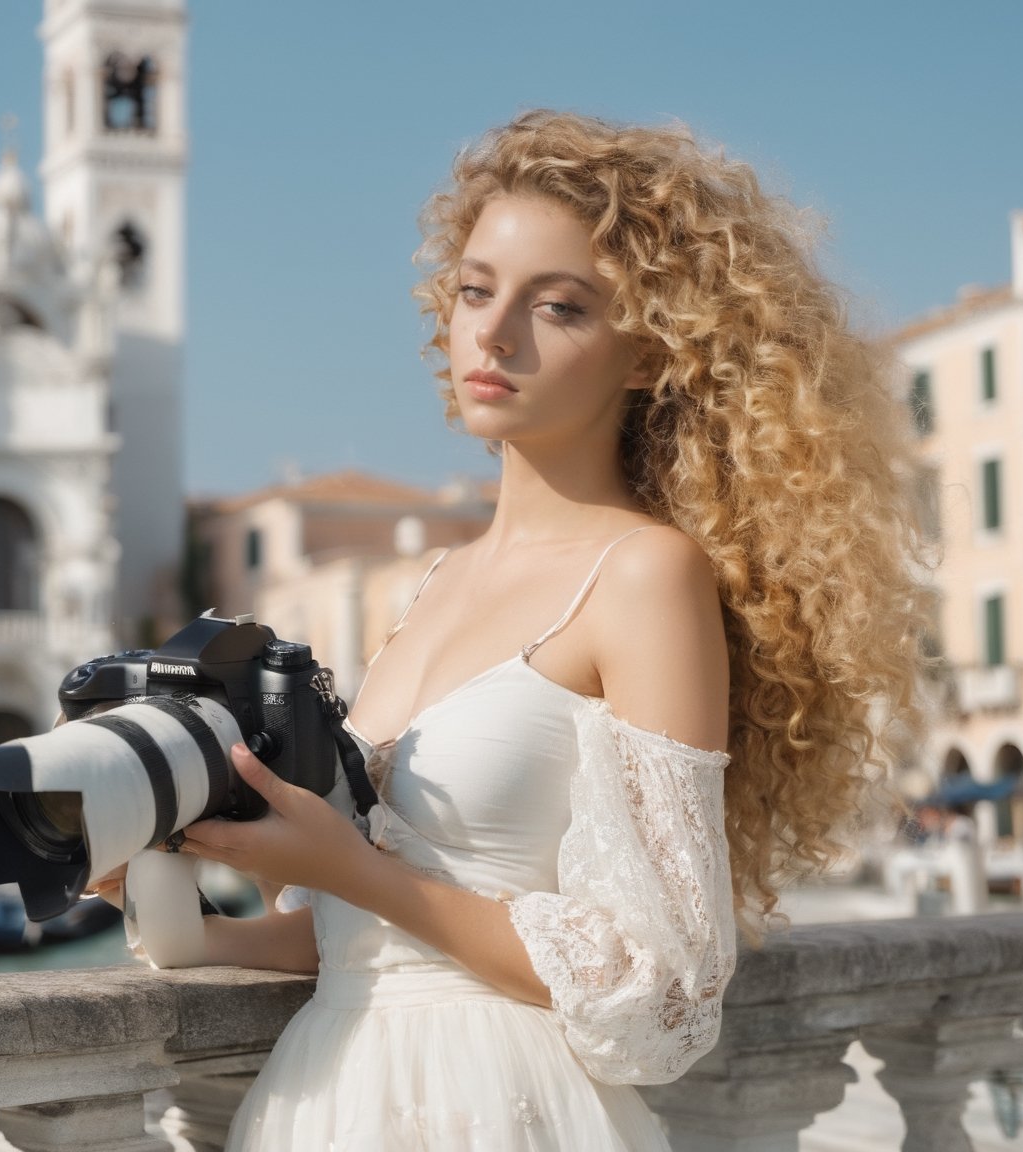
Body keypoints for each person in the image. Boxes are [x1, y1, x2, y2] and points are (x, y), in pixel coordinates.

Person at [117, 111, 925, 1149]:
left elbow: (660, 988)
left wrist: (351, 868)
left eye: (560, 306)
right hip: (325, 1099)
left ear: (646, 354)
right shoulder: (435, 587)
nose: (494, 334)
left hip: (506, 1110)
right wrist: (195, 915)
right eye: (475, 290)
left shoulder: (643, 575)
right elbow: (382, 936)